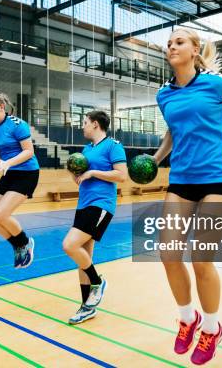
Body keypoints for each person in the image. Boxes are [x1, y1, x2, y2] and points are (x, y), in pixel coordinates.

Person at [153, 27, 222, 365]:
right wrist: (155, 160)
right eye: (169, 43)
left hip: (216, 178)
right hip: (182, 179)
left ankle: (212, 328)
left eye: (179, 42)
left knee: (201, 260)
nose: (172, 46)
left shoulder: (215, 84)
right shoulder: (164, 95)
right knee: (168, 255)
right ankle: (188, 319)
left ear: (195, 50)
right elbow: (173, 130)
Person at [62, 111, 127, 324]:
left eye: (85, 123)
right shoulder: (86, 150)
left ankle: (97, 282)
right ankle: (86, 307)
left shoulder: (112, 145)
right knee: (84, 257)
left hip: (101, 204)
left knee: (70, 245)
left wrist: (93, 173)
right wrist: (75, 172)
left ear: (96, 124)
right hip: (84, 204)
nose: (82, 127)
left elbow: (121, 175)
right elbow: (79, 181)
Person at [0, 91, 39, 268]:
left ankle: (26, 242)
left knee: (1, 213)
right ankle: (16, 246)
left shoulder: (18, 124)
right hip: (9, 172)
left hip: (26, 173)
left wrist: (9, 162)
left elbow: (29, 151)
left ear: (1, 107)